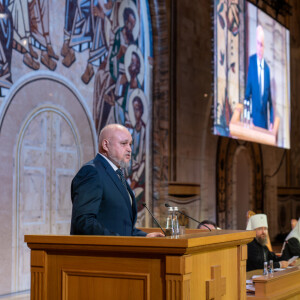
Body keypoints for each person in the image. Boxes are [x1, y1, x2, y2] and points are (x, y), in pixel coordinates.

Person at [70, 123, 164, 237]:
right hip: (102, 253)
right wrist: (118, 240)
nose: (129, 149)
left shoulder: (116, 173)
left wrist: (144, 236)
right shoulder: (91, 172)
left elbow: (121, 226)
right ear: (106, 145)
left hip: (120, 251)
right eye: (123, 144)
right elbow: (83, 222)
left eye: (130, 144)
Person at [245, 25, 274, 130]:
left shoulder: (267, 69)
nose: (259, 48)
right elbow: (247, 95)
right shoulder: (251, 62)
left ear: (264, 47)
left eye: (261, 45)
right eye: (258, 43)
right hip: (252, 122)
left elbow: (270, 100)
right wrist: (248, 118)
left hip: (264, 124)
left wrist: (271, 121)